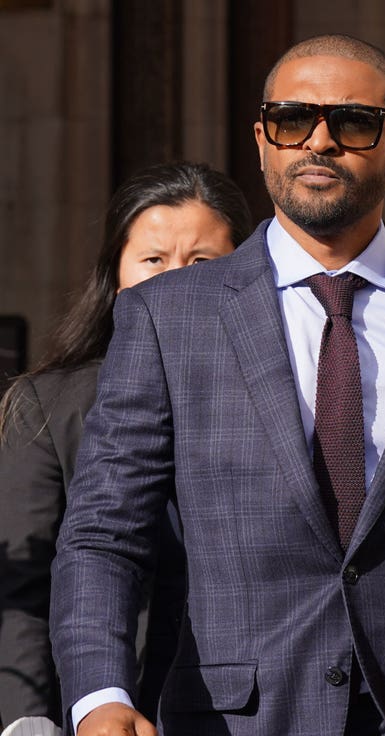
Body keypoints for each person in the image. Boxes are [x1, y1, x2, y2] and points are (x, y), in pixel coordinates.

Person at [50, 34, 385, 736]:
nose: (319, 142)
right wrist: (100, 696)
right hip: (232, 718)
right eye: (292, 120)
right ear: (262, 142)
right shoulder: (170, 313)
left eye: (353, 122)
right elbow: (106, 532)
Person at [0, 161, 253, 729]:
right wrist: (29, 722)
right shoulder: (49, 405)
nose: (174, 282)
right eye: (153, 260)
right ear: (116, 278)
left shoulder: (284, 401)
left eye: (201, 262)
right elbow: (23, 583)